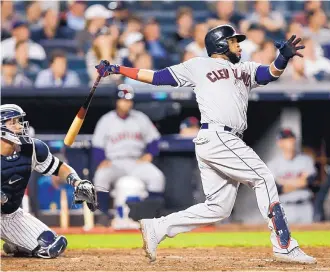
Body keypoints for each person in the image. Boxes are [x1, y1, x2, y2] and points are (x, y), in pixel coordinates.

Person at [95, 24, 316, 264]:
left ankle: (158, 227)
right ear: (221, 44)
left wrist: (282, 58)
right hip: (218, 136)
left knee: (218, 208)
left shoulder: (244, 68)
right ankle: (284, 245)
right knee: (263, 178)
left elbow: (270, 73)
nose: (239, 44)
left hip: (222, 140)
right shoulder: (199, 65)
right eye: (234, 41)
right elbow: (157, 77)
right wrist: (118, 69)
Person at [0, 104, 97, 258]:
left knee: (51, 245)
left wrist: (78, 182)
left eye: (19, 121)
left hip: (8, 215)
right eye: (13, 122)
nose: (19, 126)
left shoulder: (31, 149)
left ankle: (16, 243)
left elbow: (60, 167)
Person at [92, 84, 165, 229]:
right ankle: (103, 216)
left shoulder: (141, 118)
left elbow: (155, 140)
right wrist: (101, 160)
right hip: (115, 163)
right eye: (123, 100)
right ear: (117, 101)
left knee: (157, 177)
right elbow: (97, 145)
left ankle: (152, 216)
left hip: (136, 162)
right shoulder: (106, 120)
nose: (126, 103)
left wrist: (150, 154)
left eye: (129, 100)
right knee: (101, 177)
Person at [267, 129, 317, 224]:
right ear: (279, 143)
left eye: (291, 138)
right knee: (286, 238)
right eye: (286, 139)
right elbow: (277, 188)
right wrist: (300, 181)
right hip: (285, 208)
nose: (290, 142)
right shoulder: (273, 164)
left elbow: (309, 181)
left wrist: (284, 182)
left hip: (305, 206)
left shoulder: (306, 160)